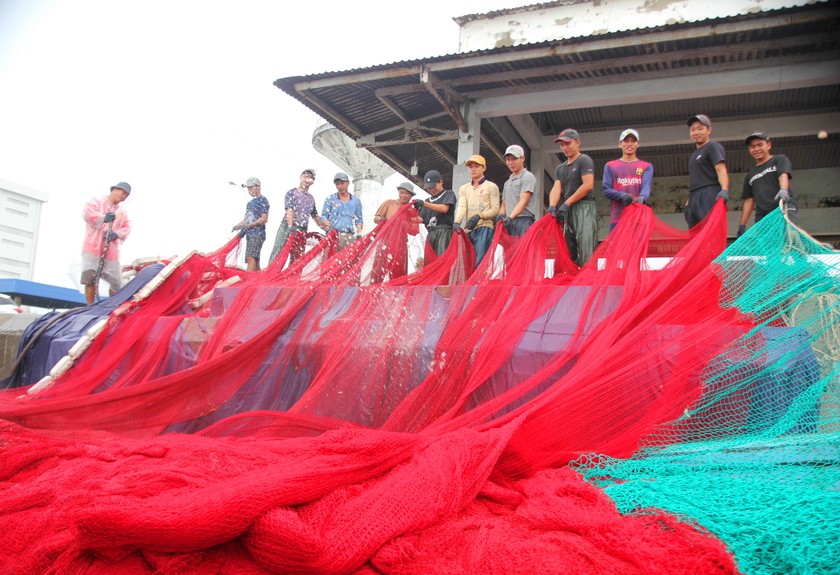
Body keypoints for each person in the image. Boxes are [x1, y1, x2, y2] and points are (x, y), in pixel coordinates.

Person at [548, 129, 597, 266]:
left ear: (578, 142)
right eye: (562, 145)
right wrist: (552, 205)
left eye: (568, 143)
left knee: (586, 245)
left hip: (584, 207)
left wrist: (566, 203)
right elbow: (557, 187)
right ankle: (573, 281)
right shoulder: (560, 168)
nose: (565, 147)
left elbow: (588, 185)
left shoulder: (584, 160)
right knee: (569, 247)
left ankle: (588, 280)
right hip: (568, 209)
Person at [80, 182, 132, 305]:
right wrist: (103, 217)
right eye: (122, 192)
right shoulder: (96, 202)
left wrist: (117, 234)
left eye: (126, 195)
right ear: (114, 189)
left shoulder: (122, 212)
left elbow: (127, 227)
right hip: (92, 246)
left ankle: (111, 306)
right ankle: (90, 306)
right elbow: (87, 213)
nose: (124, 196)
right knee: (90, 278)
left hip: (111, 251)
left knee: (116, 281)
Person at [739, 132, 797, 236]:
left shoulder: (779, 159)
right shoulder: (750, 175)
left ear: (769, 145)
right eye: (752, 147)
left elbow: (783, 175)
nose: (756, 149)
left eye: (760, 145)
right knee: (765, 245)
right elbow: (749, 200)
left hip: (782, 207)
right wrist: (742, 225)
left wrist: (783, 189)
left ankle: (820, 248)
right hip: (763, 215)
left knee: (791, 236)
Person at [602, 129, 654, 231]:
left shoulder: (646, 166)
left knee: (638, 247)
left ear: (638, 144)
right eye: (626, 141)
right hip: (617, 219)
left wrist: (643, 198)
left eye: (633, 141)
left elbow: (646, 187)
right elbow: (606, 190)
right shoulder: (610, 166)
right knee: (616, 247)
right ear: (620, 144)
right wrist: (622, 196)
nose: (629, 144)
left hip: (638, 219)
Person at [454, 155, 500, 268]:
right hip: (469, 228)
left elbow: (495, 209)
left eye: (476, 166)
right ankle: (470, 285)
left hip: (485, 227)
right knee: (468, 262)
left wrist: (480, 216)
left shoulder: (491, 186)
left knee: (480, 262)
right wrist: (457, 222)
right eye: (470, 167)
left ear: (483, 168)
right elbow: (462, 206)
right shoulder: (464, 188)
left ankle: (478, 285)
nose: (473, 169)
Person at [269, 168, 323, 263]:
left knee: (297, 258)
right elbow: (289, 210)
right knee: (278, 253)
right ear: (300, 178)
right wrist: (290, 226)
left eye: (310, 178)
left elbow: (315, 216)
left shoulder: (311, 199)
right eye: (305, 176)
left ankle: (291, 277)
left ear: (312, 182)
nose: (307, 179)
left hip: (301, 230)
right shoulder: (292, 193)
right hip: (287, 226)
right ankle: (270, 275)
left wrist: (326, 227)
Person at [685, 114, 729, 228]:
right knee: (695, 234)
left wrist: (724, 190)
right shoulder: (694, 154)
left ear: (709, 130)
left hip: (709, 193)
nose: (696, 132)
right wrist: (689, 200)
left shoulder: (713, 147)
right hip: (694, 195)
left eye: (700, 128)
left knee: (709, 230)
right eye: (693, 130)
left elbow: (721, 170)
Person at [413, 170, 457, 256]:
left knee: (441, 260)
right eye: (428, 188)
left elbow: (444, 208)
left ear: (441, 182)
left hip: (444, 233)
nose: (431, 190)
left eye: (433, 186)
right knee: (429, 262)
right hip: (431, 234)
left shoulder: (448, 194)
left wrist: (424, 204)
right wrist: (408, 214)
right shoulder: (428, 200)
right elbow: (420, 219)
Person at [499, 145, 538, 237]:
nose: (511, 162)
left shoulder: (527, 177)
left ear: (522, 158)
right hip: (510, 222)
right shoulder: (507, 183)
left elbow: (523, 202)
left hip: (523, 221)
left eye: (514, 159)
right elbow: (504, 203)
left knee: (522, 250)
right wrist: (500, 215)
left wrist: (510, 217)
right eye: (508, 159)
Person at [231, 177, 269, 272]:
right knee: (255, 261)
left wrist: (250, 225)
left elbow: (264, 219)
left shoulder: (262, 200)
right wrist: (237, 226)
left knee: (251, 257)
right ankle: (258, 281)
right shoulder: (250, 204)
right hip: (249, 234)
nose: (249, 190)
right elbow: (246, 220)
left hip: (257, 233)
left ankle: (248, 280)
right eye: (248, 188)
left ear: (258, 187)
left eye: (251, 187)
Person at [320, 172, 363, 250]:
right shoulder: (330, 199)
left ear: (348, 183)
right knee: (330, 260)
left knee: (347, 261)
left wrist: (358, 233)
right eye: (337, 184)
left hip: (349, 237)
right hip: (333, 235)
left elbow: (359, 220)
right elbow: (323, 217)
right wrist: (331, 228)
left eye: (342, 183)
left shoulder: (356, 201)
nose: (340, 186)